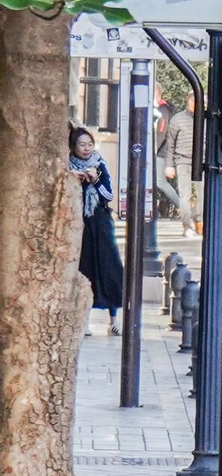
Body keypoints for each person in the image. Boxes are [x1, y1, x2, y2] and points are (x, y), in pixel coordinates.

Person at [71, 127, 124, 336]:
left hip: (100, 223)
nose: (86, 149)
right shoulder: (68, 166)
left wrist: (94, 179)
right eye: (82, 145)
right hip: (79, 225)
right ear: (73, 147)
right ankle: (84, 321)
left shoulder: (99, 164)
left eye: (89, 144)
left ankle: (113, 320)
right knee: (85, 270)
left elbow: (108, 196)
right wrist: (72, 178)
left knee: (109, 268)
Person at [156, 94, 198, 237]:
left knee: (202, 194)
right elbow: (170, 144)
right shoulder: (178, 119)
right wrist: (169, 165)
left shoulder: (206, 119)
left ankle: (199, 222)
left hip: (201, 161)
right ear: (189, 101)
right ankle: (187, 225)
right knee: (185, 194)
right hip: (182, 160)